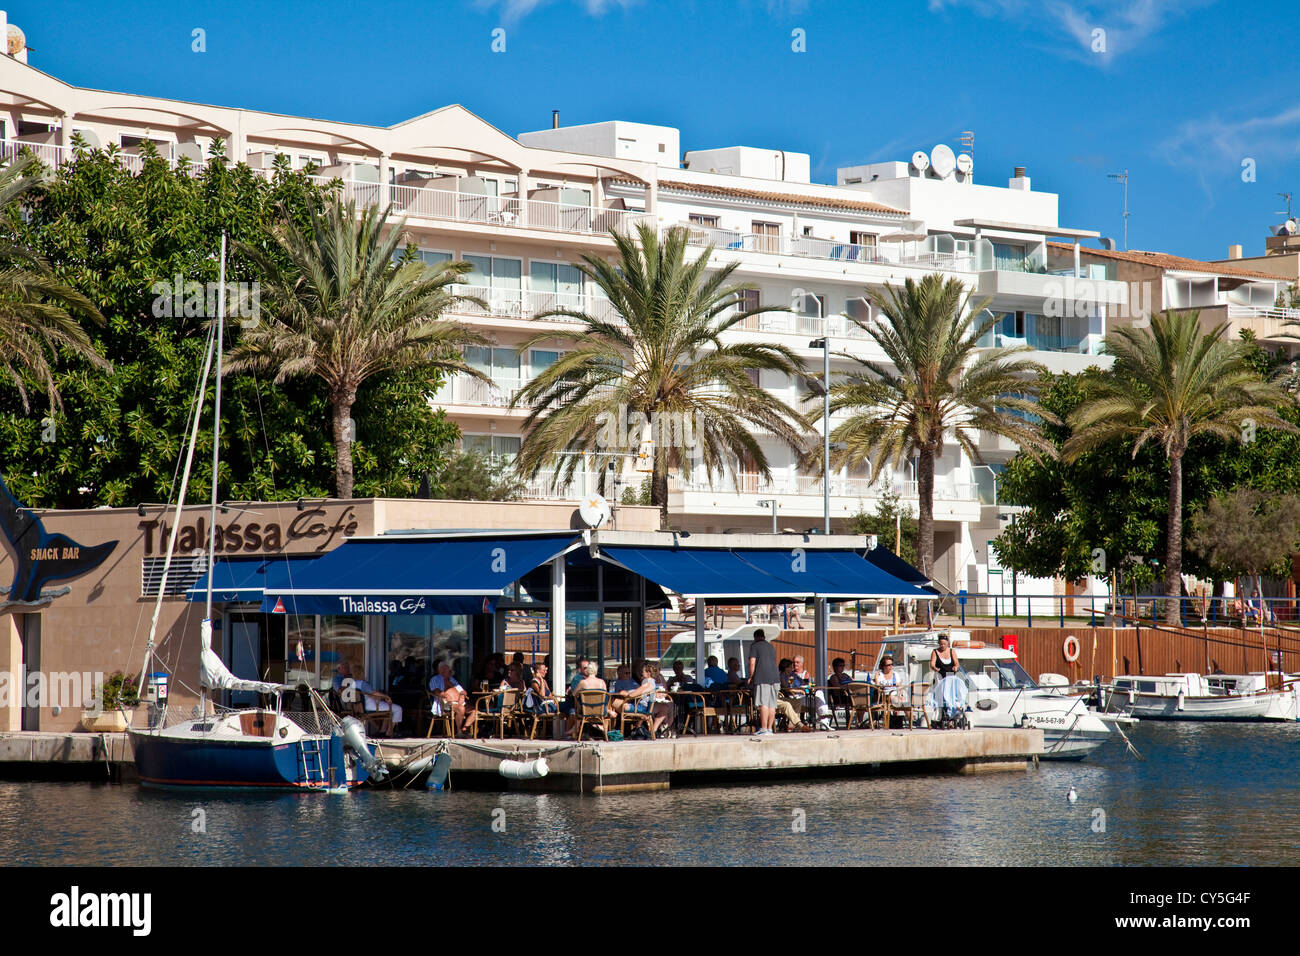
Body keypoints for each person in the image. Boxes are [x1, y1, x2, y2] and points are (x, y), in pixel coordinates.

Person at [352, 664, 402, 735]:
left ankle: (382, 731)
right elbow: (374, 693)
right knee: (398, 709)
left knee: (388, 711)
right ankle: (389, 732)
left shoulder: (352, 684)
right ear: (362, 673)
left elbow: (368, 694)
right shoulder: (363, 684)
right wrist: (386, 697)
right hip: (371, 706)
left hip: (358, 707)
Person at [429, 661, 475, 736]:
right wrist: (445, 695)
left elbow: (463, 691)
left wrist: (462, 696)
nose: (445, 670)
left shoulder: (452, 680)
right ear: (439, 670)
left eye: (446, 668)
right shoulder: (435, 679)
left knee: (475, 711)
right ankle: (459, 731)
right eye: (442, 668)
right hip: (445, 705)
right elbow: (435, 691)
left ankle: (464, 729)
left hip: (459, 703)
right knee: (461, 709)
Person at [748, 629, 780, 736]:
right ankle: (770, 729)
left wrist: (750, 676)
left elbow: (752, 662)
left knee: (763, 703)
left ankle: (763, 728)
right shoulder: (771, 646)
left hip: (762, 677)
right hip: (775, 677)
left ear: (755, 637)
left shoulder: (755, 646)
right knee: (772, 704)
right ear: (764, 636)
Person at [565, 661, 608, 737]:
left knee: (577, 702)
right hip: (600, 712)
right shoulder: (602, 682)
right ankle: (602, 728)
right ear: (596, 671)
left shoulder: (583, 682)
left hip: (585, 711)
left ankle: (576, 727)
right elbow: (606, 697)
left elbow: (574, 694)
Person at [776, 658, 813, 732]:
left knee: (798, 702)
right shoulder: (781, 676)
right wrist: (798, 690)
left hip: (795, 694)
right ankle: (799, 725)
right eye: (790, 667)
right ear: (785, 667)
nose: (791, 669)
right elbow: (787, 688)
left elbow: (802, 683)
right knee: (789, 703)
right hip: (785, 695)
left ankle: (791, 724)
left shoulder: (792, 675)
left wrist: (810, 686)